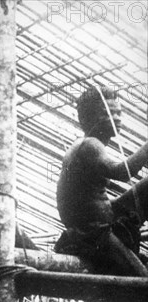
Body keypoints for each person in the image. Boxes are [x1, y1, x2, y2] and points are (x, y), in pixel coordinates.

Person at [55, 85, 148, 277]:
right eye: (108, 114)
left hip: (104, 218)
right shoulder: (89, 145)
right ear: (86, 119)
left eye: (119, 113)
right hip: (91, 233)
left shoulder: (93, 145)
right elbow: (121, 172)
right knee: (141, 280)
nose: (116, 118)